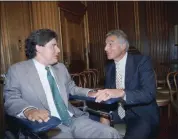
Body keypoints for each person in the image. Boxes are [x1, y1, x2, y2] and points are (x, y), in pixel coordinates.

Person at [3, 29, 123, 139]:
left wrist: (91, 93)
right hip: (49, 125)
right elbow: (11, 100)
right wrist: (29, 111)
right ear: (39, 47)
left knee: (110, 133)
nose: (59, 50)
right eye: (53, 46)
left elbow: (71, 88)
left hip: (73, 119)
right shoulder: (17, 70)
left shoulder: (60, 67)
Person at [93, 29, 160, 139]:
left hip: (140, 114)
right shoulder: (110, 68)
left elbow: (149, 94)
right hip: (118, 111)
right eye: (105, 45)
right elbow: (109, 96)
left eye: (110, 44)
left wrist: (121, 93)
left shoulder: (142, 61)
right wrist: (104, 115)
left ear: (123, 46)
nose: (105, 48)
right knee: (89, 122)